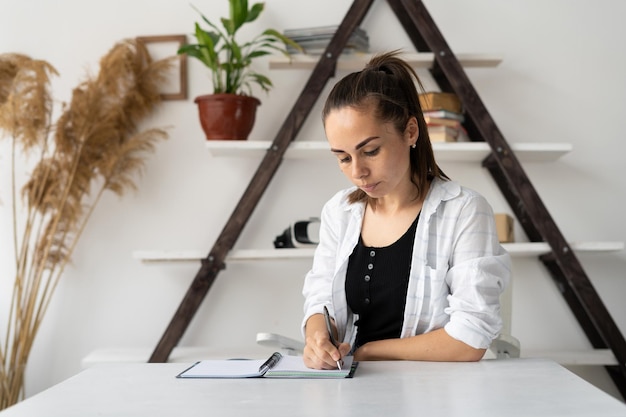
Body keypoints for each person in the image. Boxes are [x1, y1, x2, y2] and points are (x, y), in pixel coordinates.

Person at [301, 51, 511, 370]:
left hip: (436, 394)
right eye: (343, 158)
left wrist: (368, 352)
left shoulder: (465, 210)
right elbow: (320, 299)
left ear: (411, 131)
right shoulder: (339, 212)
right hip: (352, 386)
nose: (358, 171)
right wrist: (316, 339)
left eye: (370, 151)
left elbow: (470, 339)